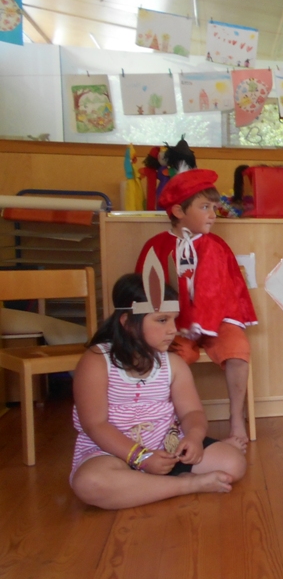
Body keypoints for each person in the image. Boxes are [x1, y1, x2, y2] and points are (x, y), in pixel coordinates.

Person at [70, 273, 247, 510]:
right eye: (162, 320)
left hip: (167, 450)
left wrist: (194, 437)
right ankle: (186, 484)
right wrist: (141, 457)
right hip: (111, 454)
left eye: (174, 320)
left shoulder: (173, 364)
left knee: (234, 464)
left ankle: (145, 486)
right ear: (127, 322)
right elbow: (95, 424)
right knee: (90, 483)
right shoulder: (95, 361)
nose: (173, 330)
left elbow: (192, 412)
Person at [137, 168, 257, 450]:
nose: (213, 215)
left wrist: (208, 320)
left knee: (238, 349)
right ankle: (171, 423)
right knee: (171, 357)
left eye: (214, 207)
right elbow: (146, 294)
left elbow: (228, 291)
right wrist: (170, 324)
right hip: (176, 325)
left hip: (219, 321)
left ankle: (236, 419)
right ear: (179, 211)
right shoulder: (156, 247)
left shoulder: (217, 246)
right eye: (205, 207)